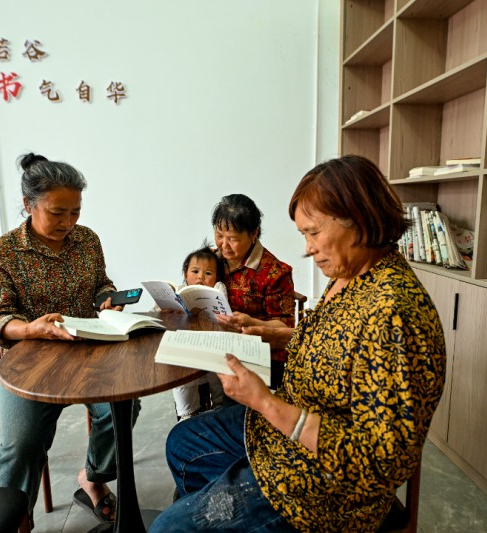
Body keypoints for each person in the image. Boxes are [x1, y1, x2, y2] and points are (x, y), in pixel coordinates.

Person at [149, 155, 447, 532]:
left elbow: (381, 463)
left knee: (166, 528)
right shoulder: (354, 273)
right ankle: (224, 505)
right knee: (182, 441)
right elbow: (338, 342)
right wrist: (272, 331)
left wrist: (263, 401)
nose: (307, 248)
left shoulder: (392, 315)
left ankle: (231, 508)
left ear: (360, 220)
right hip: (292, 421)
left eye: (314, 232)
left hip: (322, 485)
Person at [0, 153, 139, 525]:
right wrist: (31, 328)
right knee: (21, 446)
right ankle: (14, 522)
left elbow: (101, 284)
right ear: (28, 204)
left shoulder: (87, 240)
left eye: (75, 212)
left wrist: (107, 300)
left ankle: (93, 479)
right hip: (31, 363)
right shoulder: (2, 252)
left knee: (121, 410)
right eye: (57, 213)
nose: (68, 223)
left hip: (88, 352)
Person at [209, 193, 295, 388]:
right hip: (218, 343)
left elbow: (285, 327)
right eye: (219, 236)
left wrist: (252, 323)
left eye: (233, 239)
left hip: (261, 355)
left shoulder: (275, 272)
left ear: (253, 233)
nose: (224, 245)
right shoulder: (213, 260)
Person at [168, 244, 228, 420]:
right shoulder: (179, 291)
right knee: (180, 372)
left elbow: (222, 308)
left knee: (218, 371)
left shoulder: (217, 289)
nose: (200, 277)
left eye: (208, 273)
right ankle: (187, 413)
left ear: (217, 277)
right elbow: (158, 311)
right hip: (186, 346)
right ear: (185, 273)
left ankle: (220, 406)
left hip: (213, 345)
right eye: (195, 271)